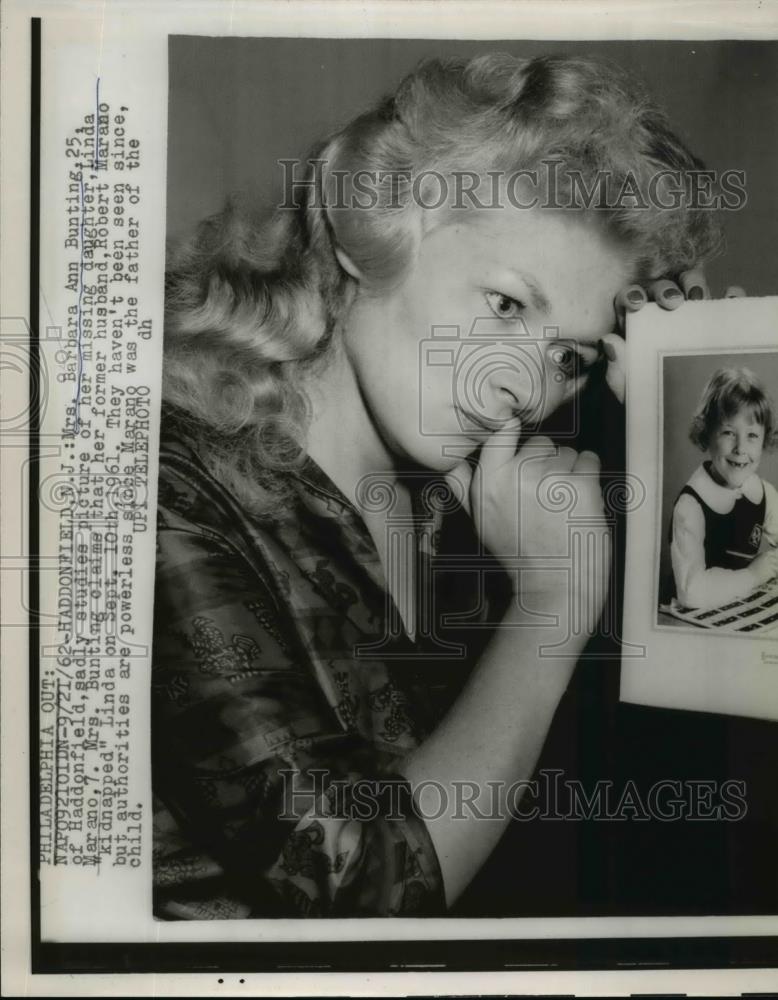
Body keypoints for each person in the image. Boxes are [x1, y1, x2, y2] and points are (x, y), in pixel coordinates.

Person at [152, 52, 730, 919]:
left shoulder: (466, 505)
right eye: (506, 305)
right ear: (372, 225)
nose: (527, 389)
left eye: (568, 354)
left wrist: (696, 378)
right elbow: (360, 888)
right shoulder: (164, 491)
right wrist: (549, 608)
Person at [669, 367, 778, 611]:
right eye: (729, 432)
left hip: (736, 609)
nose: (740, 448)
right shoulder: (691, 506)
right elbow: (692, 594)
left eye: (752, 435)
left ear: (764, 440)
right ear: (707, 434)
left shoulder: (763, 494)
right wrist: (753, 575)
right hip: (689, 620)